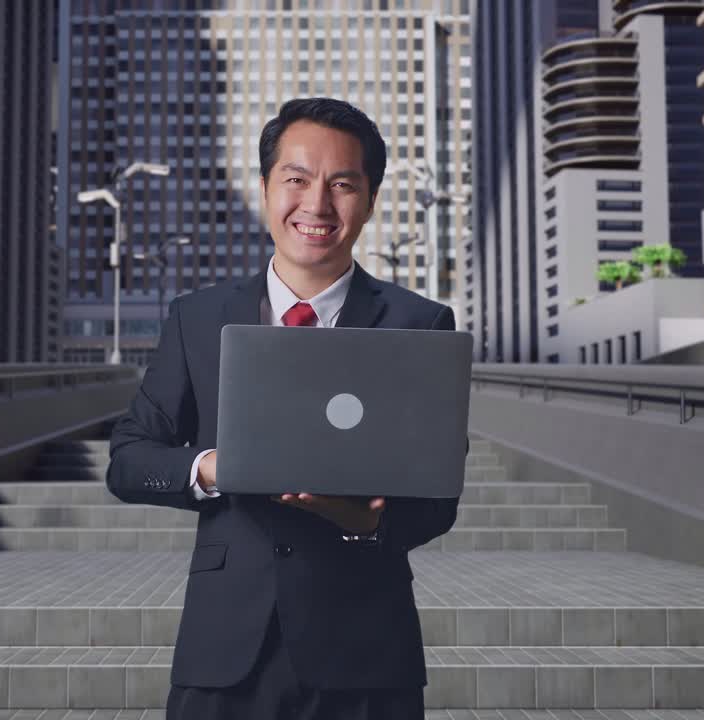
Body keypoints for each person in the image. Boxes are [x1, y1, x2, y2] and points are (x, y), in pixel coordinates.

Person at [106, 97, 463, 720]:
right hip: (224, 649)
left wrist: (357, 518)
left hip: (365, 654)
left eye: (342, 185)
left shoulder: (420, 325)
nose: (317, 205)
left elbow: (436, 503)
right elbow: (130, 458)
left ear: (371, 199)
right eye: (296, 180)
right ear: (266, 187)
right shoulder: (197, 318)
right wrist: (217, 467)